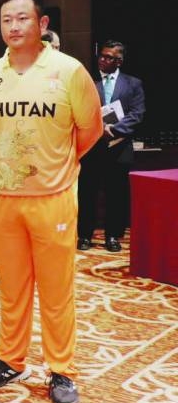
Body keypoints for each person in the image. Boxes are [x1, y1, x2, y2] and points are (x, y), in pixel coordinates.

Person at [0, 0, 102, 403]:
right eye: (6, 19)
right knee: (12, 287)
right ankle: (11, 359)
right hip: (4, 198)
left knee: (56, 288)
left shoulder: (69, 71)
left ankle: (61, 369)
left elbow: (89, 130)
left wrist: (60, 164)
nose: (13, 26)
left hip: (53, 198)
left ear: (42, 25)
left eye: (22, 18)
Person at [77, 40, 145, 252]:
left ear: (119, 61)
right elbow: (80, 111)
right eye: (101, 56)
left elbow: (137, 114)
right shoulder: (89, 82)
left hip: (119, 148)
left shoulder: (133, 84)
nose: (103, 60)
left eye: (109, 57)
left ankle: (113, 236)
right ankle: (85, 236)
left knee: (116, 194)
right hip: (92, 148)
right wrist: (96, 129)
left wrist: (113, 130)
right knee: (87, 193)